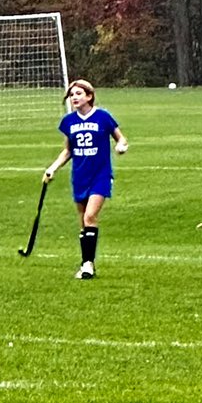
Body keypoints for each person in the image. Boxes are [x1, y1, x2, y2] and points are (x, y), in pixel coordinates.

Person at [43, 79, 129, 280]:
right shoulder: (68, 122)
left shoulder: (103, 117)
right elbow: (68, 151)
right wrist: (52, 168)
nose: (74, 97)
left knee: (90, 216)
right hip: (79, 176)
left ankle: (88, 265)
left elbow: (121, 138)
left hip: (100, 175)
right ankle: (86, 263)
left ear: (89, 96)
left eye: (79, 93)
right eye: (72, 94)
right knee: (83, 222)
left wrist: (121, 147)